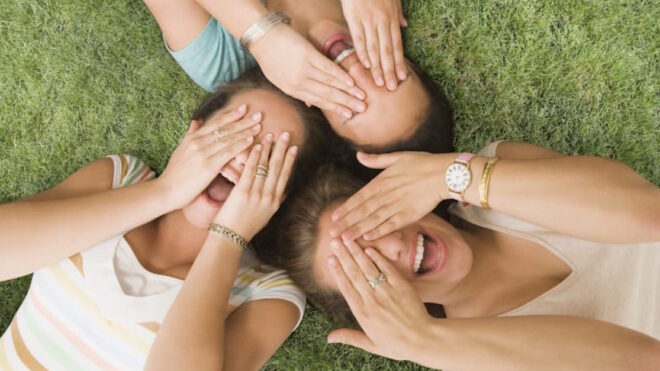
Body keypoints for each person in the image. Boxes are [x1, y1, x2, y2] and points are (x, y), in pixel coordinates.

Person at [0, 70, 330, 370]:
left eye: (266, 159)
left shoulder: (268, 292)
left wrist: (228, 235)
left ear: (279, 195)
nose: (243, 156)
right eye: (232, 133)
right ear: (194, 134)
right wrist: (166, 191)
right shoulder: (120, 178)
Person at [272, 141, 660, 370]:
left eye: (373, 223)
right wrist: (427, 341)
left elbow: (650, 214)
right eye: (368, 267)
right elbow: (643, 361)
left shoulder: (492, 181)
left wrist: (451, 175)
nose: (392, 247)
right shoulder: (472, 357)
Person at [143, 0, 454, 152]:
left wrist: (262, 36)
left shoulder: (225, 65)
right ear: (412, 65)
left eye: (351, 104)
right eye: (390, 78)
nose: (355, 69)